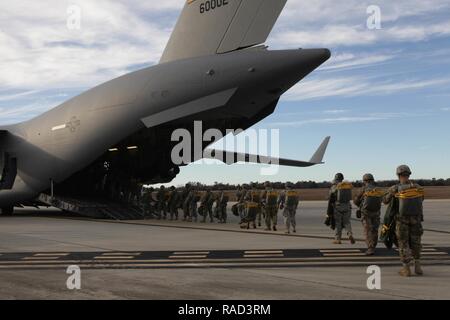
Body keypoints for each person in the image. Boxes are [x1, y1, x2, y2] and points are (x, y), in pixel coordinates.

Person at [383, 165, 425, 277]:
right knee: (416, 242)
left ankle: (406, 269)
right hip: (416, 220)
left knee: (403, 244)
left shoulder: (395, 188)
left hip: (401, 221)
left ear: (398, 175)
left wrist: (392, 194)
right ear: (409, 174)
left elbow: (385, 201)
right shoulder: (418, 187)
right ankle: (418, 267)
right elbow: (422, 199)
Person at [354, 174, 384, 255]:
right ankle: (373, 246)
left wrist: (361, 205)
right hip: (376, 212)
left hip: (366, 213)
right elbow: (382, 200)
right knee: (374, 230)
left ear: (365, 181)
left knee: (368, 230)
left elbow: (356, 201)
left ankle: (370, 248)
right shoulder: (378, 189)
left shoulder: (363, 189)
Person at [329, 173, 355, 244]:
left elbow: (331, 197)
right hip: (347, 206)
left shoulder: (335, 186)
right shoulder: (347, 186)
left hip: (338, 207)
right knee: (347, 222)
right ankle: (350, 234)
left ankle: (338, 239)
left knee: (338, 223)